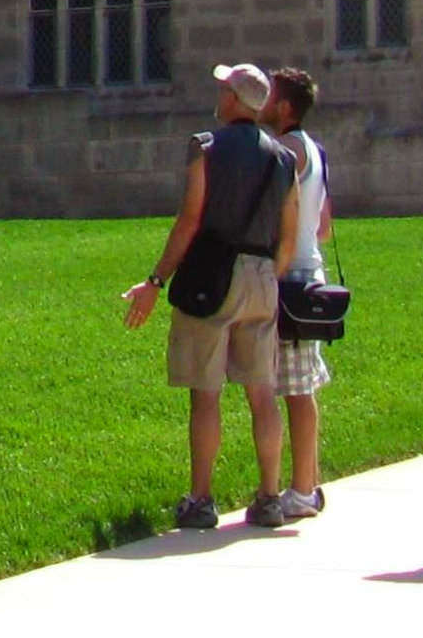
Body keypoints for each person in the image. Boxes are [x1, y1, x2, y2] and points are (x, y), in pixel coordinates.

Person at [124, 59, 296, 532]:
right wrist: (267, 276)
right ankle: (269, 497)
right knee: (262, 392)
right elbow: (289, 233)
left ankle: (201, 498)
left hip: (211, 277)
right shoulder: (284, 158)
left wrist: (156, 281)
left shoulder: (205, 147)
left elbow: (190, 220)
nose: (218, 96)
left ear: (235, 101)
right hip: (263, 276)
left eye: (224, 90)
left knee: (206, 392)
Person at [268, 66, 338, 522]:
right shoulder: (315, 150)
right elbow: (325, 226)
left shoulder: (288, 151)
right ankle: (306, 481)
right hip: (308, 272)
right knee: (300, 385)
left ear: (286, 106)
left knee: (295, 389)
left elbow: (284, 219)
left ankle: (302, 489)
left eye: (270, 96)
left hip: (289, 277)